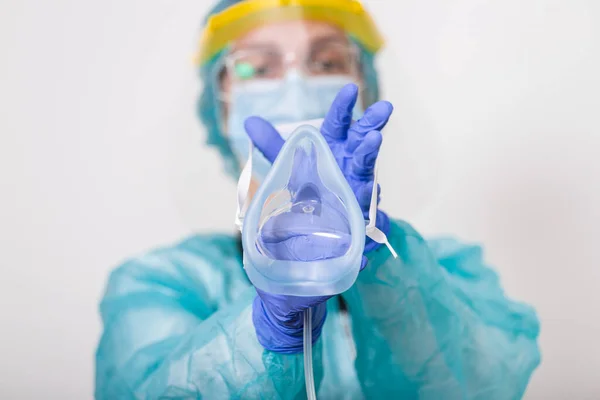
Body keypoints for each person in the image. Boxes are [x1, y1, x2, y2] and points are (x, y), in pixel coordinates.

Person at [95, 1, 541, 398]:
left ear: (364, 86)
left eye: (327, 62)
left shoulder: (449, 271)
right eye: (255, 67)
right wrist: (266, 326)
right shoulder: (164, 283)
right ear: (220, 106)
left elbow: (483, 385)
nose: (296, 85)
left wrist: (381, 270)